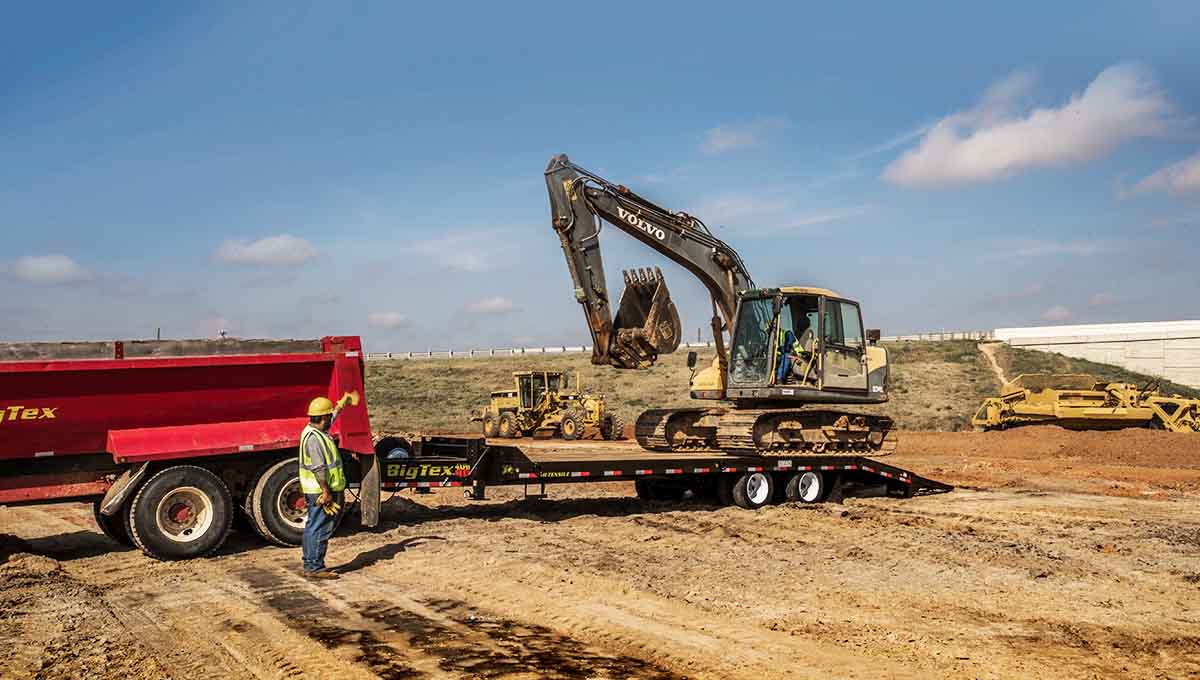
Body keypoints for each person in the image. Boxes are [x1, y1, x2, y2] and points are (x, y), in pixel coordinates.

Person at [299, 396, 347, 579]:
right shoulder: (314, 439)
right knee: (319, 527)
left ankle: (311, 564)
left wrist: (340, 406)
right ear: (323, 418)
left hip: (316, 489)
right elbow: (318, 467)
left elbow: (329, 419)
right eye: (329, 417)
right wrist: (326, 492)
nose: (330, 420)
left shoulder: (312, 430)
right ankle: (314, 567)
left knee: (314, 525)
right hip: (320, 491)